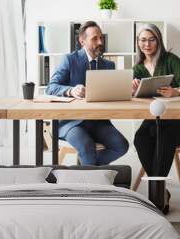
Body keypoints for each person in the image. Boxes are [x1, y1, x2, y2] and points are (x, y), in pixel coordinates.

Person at [132, 24, 180, 207]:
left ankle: (157, 198)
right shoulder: (138, 68)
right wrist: (131, 88)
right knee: (140, 138)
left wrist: (176, 91)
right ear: (138, 43)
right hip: (154, 121)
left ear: (159, 40)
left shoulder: (170, 60)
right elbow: (130, 93)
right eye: (143, 40)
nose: (147, 44)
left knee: (163, 136)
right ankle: (161, 191)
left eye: (151, 39)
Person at [46, 21, 129, 165]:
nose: (100, 42)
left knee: (121, 145)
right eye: (95, 38)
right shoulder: (70, 60)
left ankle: (86, 171)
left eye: (101, 38)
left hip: (99, 122)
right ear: (82, 41)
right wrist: (70, 90)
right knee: (87, 147)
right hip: (72, 123)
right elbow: (51, 87)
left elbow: (112, 94)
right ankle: (92, 182)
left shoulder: (109, 65)